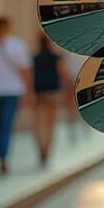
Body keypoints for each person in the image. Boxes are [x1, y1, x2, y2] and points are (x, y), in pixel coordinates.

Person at [0, 15, 31, 173]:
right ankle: (2, 155)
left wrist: (28, 91)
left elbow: (25, 70)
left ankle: (3, 156)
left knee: (5, 124)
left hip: (11, 91)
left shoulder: (17, 44)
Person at [32, 34, 71, 165]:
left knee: (39, 124)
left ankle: (41, 147)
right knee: (50, 125)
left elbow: (30, 76)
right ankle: (47, 149)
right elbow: (64, 74)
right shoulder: (56, 58)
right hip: (53, 94)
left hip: (39, 94)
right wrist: (71, 87)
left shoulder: (34, 58)